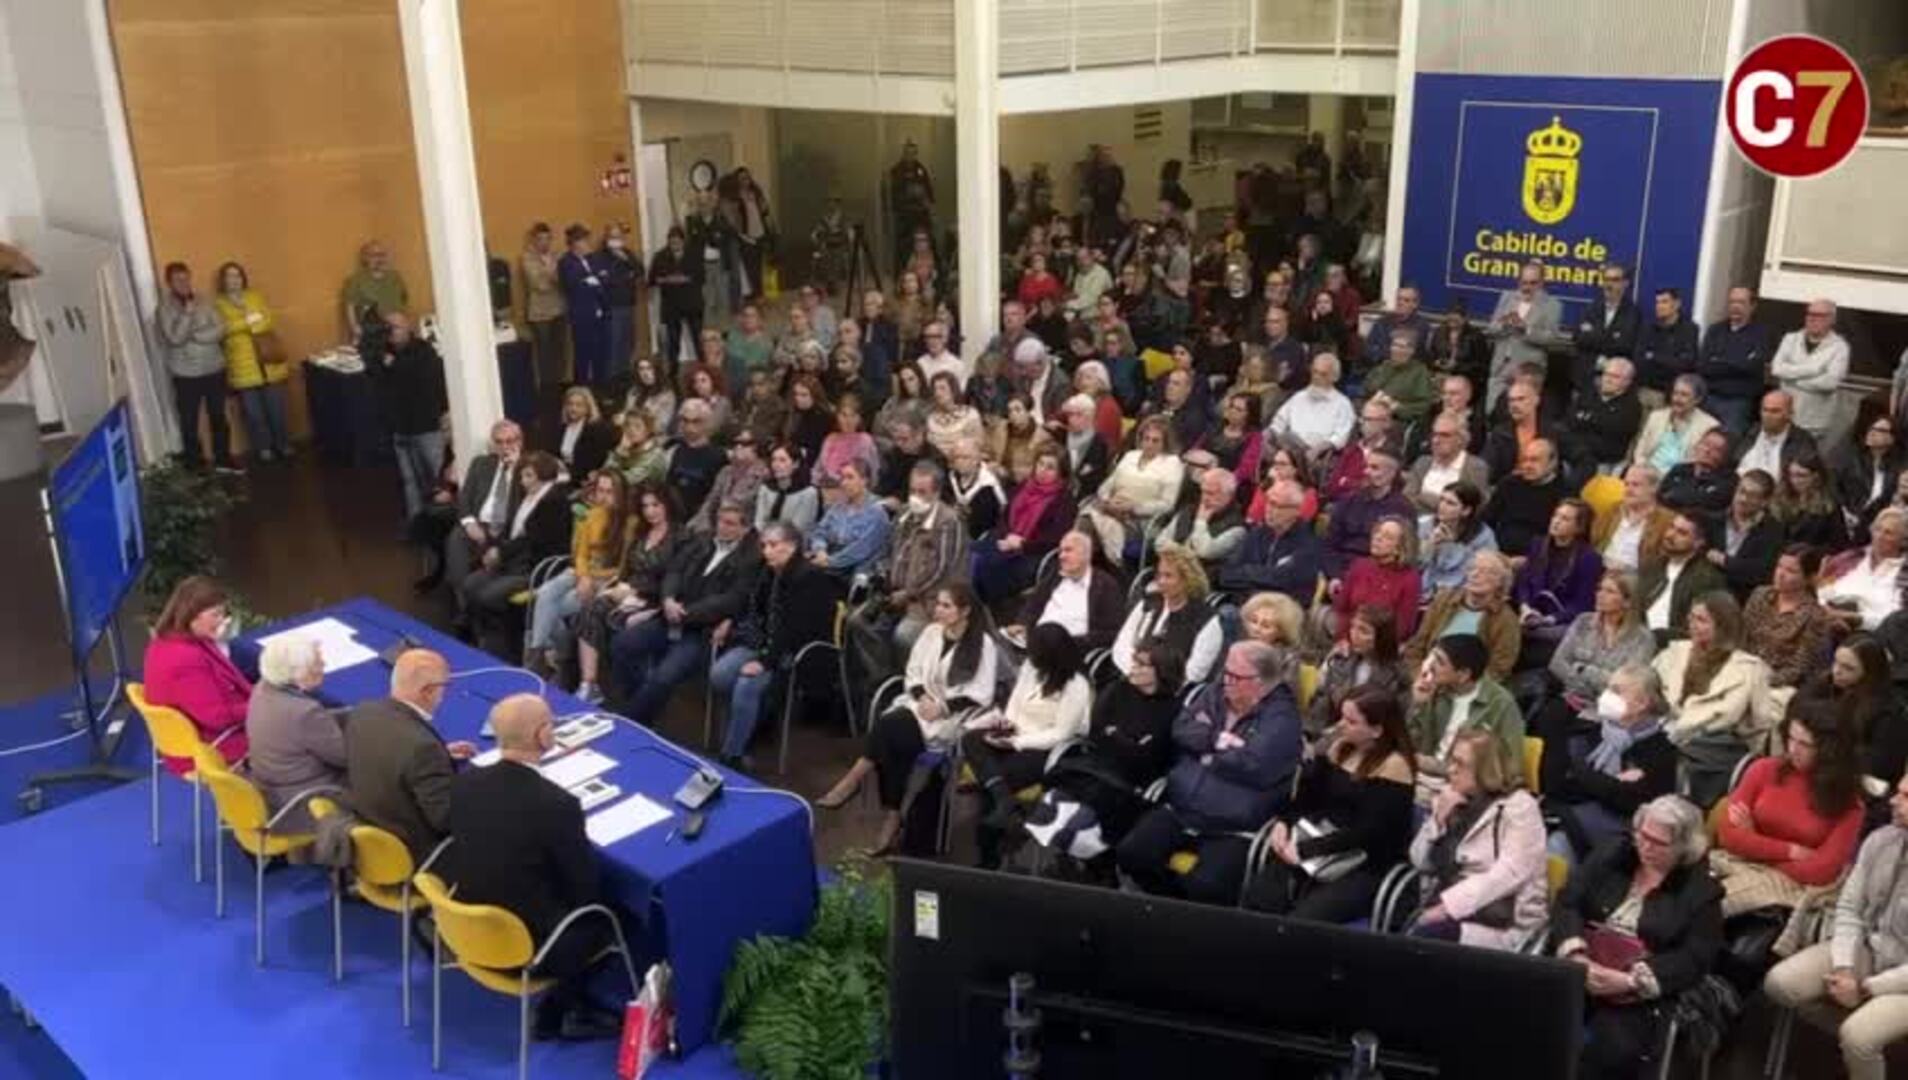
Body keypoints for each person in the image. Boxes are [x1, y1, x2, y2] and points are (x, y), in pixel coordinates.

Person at [438, 694, 626, 1042]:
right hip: (531, 946)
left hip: (468, 927)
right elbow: (585, 893)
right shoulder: (557, 805)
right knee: (613, 916)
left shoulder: (465, 783)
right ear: (542, 735)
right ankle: (560, 1012)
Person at [1116, 641, 1304, 904]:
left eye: (1235, 676)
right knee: (1131, 854)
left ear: (1261, 682)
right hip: (1181, 806)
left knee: (1207, 886)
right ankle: (1165, 910)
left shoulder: (1282, 720)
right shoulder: (1217, 692)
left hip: (1233, 825)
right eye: (1225, 671)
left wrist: (1205, 757)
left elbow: (1256, 766)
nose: (1225, 680)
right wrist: (1217, 741)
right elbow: (1182, 729)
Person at [818, 584, 1001, 855]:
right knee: (895, 731)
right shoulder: (930, 633)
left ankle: (855, 782)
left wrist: (941, 707)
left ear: (966, 611)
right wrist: (923, 697)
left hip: (951, 717)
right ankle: (891, 817)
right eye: (938, 604)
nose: (937, 610)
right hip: (919, 705)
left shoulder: (983, 645)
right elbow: (912, 672)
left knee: (891, 730)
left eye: (946, 606)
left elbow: (982, 694)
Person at [1553, 795, 1724, 1080]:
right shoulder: (1613, 853)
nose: (1645, 846)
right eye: (1642, 835)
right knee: (1531, 1022)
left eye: (1658, 843)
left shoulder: (1701, 891)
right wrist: (1575, 955)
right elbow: (1568, 902)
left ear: (1683, 848)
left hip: (1638, 993)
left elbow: (1696, 957)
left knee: (1607, 1052)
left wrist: (1632, 981)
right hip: (1579, 969)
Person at [1763, 770, 1908, 1080]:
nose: (1893, 801)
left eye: (1906, 797)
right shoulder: (1881, 839)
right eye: (1898, 791)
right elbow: (1849, 908)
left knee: (1859, 1038)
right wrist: (1844, 967)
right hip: (1869, 951)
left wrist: (1867, 989)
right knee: (1780, 983)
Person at [1245, 687, 1416, 923]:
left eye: (1351, 721)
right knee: (1260, 897)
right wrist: (1283, 822)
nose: (1340, 725)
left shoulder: (1396, 768)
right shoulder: (1339, 749)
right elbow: (1307, 798)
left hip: (1362, 862)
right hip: (1318, 838)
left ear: (1376, 730)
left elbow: (1369, 833)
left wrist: (1307, 850)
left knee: (1304, 919)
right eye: (1341, 717)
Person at [1024, 641, 1187, 878]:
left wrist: (1116, 735)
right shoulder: (1117, 690)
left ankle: (1091, 864)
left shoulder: (1172, 709)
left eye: (1143, 665)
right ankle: (1072, 860)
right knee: (1062, 790)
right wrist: (1127, 740)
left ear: (1161, 670)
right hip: (1096, 766)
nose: (1134, 668)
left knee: (1094, 804)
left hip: (1133, 781)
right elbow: (1097, 732)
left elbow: (1149, 756)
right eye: (1135, 661)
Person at [609, 502, 760, 729]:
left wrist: (686, 613)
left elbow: (731, 600)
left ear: (745, 528)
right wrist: (668, 598)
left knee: (664, 676)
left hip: (700, 629)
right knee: (623, 643)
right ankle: (642, 710)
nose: (722, 527)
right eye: (720, 520)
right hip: (669, 613)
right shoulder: (701, 540)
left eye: (730, 524)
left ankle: (631, 722)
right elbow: (674, 570)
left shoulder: (751, 558)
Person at [1712, 702, 1864, 916]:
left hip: (1790, 888)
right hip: (1738, 865)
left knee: (1714, 905)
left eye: (1804, 744)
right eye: (1791, 738)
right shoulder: (1764, 769)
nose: (1792, 749)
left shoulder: (1848, 803)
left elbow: (1822, 871)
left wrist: (1753, 840)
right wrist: (1791, 851)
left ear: (1829, 750)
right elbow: (1727, 834)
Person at [710, 522, 844, 765]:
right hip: (760, 641)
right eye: (764, 545)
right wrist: (729, 620)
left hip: (793, 651)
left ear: (792, 547)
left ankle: (731, 754)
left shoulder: (809, 577)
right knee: (720, 674)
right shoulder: (767, 571)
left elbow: (795, 629)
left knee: (746, 685)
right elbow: (749, 603)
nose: (766, 551)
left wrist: (765, 662)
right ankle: (756, 720)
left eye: (773, 545)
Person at [960, 623, 1093, 866]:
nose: (1030, 657)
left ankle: (989, 850)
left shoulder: (1076, 685)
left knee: (994, 775)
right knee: (970, 739)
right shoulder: (1032, 667)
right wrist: (1005, 727)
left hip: (1042, 749)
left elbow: (1061, 734)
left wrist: (1017, 742)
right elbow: (1015, 701)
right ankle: (1004, 801)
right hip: (1015, 735)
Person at [1404, 728, 1548, 948]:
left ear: (1485, 769)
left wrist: (1448, 907)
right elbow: (1419, 861)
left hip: (1500, 919)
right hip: (1445, 907)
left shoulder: (1520, 807)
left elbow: (1511, 872)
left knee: (1424, 940)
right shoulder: (1452, 797)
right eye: (1451, 760)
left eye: (1460, 764)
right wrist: (1438, 820)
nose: (1451, 770)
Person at [343, 648, 474, 860]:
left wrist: (442, 755)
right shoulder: (422, 748)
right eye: (445, 687)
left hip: (370, 831)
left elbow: (391, 755)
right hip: (414, 851)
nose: (444, 695)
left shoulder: (362, 712)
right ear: (428, 691)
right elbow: (446, 820)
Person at [1542, 662, 1678, 862]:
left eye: (1616, 691)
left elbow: (1638, 805)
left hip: (1623, 839)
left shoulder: (1661, 751)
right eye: (1608, 688)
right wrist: (1613, 783)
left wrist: (1585, 776)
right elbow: (1555, 783)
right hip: (1571, 819)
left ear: (1642, 703)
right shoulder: (1587, 729)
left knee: (1556, 849)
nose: (1606, 696)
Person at [1652, 591, 1776, 802]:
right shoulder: (1674, 653)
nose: (1692, 624)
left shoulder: (1749, 669)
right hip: (1665, 730)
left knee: (1667, 756)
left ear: (1723, 625)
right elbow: (1649, 690)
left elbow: (1761, 726)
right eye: (1691, 617)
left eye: (1701, 620)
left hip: (1714, 749)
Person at [461, 452, 572, 658]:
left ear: (542, 476)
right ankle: (484, 639)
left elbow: (533, 540)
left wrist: (500, 553)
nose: (522, 481)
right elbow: (514, 533)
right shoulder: (527, 496)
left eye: (528, 476)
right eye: (522, 475)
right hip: (513, 560)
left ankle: (502, 651)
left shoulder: (554, 502)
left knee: (488, 596)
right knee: (470, 584)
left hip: (534, 568)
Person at [858, 459, 968, 666]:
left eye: (922, 492)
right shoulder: (904, 513)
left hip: (930, 600)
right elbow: (890, 550)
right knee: (859, 622)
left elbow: (939, 570)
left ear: (936, 493)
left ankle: (906, 681)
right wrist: (883, 573)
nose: (916, 497)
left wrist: (908, 593)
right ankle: (881, 677)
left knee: (904, 635)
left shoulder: (948, 522)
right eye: (912, 490)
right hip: (896, 592)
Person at [526, 469, 629, 677]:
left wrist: (592, 578)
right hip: (581, 573)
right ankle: (541, 655)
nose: (604, 497)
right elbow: (580, 554)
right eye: (600, 490)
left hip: (608, 580)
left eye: (610, 492)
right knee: (544, 595)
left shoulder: (630, 523)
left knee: (555, 608)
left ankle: (548, 658)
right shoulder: (592, 514)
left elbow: (624, 567)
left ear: (621, 494)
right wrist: (583, 577)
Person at [144, 576, 251, 773]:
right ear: (191, 615)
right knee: (294, 728)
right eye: (215, 615)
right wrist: (262, 706)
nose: (221, 620)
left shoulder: (165, 641)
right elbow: (217, 717)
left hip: (202, 733)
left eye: (222, 613)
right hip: (212, 745)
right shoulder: (184, 659)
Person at [1406, 633, 1524, 805]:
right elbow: (1407, 743)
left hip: (1466, 786)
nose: (1431, 666)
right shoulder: (1435, 690)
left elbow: (1511, 765)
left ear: (1463, 675)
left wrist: (1439, 768)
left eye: (1440, 662)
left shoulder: (1501, 704)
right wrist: (1417, 705)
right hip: (1424, 777)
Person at [244, 634, 346, 831]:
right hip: (299, 802)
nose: (324, 664)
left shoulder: (262, 688)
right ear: (297, 673)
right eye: (317, 662)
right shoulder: (305, 712)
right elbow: (345, 757)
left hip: (268, 786)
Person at [1792, 635, 1908, 792]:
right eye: (1836, 662)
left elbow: (1879, 766)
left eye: (1848, 668)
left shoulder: (1888, 711)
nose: (1836, 671)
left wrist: (1828, 751)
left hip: (1855, 784)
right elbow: (1795, 712)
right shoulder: (1824, 683)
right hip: (1813, 767)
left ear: (1869, 672)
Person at [155, 261, 238, 472]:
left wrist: (196, 335)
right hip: (186, 375)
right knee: (189, 421)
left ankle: (223, 458)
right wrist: (187, 315)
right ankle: (195, 463)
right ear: (169, 283)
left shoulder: (204, 300)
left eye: (186, 278)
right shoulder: (164, 308)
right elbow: (174, 338)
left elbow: (220, 328)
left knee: (219, 416)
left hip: (214, 369)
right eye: (177, 280)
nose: (183, 283)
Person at [1545, 571, 1659, 711]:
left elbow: (1626, 684)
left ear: (1628, 602)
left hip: (1611, 708)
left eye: (1610, 591)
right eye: (1600, 589)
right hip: (1571, 698)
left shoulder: (1643, 638)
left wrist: (1584, 669)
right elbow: (1557, 663)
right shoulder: (1583, 622)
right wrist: (1581, 688)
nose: (1600, 595)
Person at [213, 261, 291, 462]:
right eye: (230, 276)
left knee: (277, 409)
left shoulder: (254, 296)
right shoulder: (218, 303)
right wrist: (248, 321)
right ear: (223, 280)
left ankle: (282, 444)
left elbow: (268, 320)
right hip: (242, 364)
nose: (234, 280)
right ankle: (264, 447)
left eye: (237, 275)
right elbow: (224, 330)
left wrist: (245, 324)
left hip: (267, 360)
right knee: (253, 414)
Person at [1078, 416, 1185, 562]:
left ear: (1165, 443)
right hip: (1111, 509)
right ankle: (1085, 564)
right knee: (1085, 520)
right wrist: (1109, 501)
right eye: (1146, 439)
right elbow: (1105, 487)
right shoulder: (1130, 456)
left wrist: (1134, 507)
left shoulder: (1172, 464)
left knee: (1091, 526)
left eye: (1155, 440)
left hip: (1139, 521)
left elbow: (1167, 505)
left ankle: (1086, 566)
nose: (1149, 444)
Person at [1110, 547, 1223, 684]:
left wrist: (1155, 681)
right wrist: (1134, 672)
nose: (1161, 581)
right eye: (1159, 575)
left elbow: (1194, 673)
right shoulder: (1148, 604)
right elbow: (1122, 645)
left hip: (1173, 692)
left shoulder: (1207, 620)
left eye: (1168, 576)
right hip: (1132, 680)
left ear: (1188, 580)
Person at [1405, 552, 1522, 680]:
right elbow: (1417, 646)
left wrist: (1463, 687)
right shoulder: (1443, 600)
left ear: (1500, 582)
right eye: (1472, 568)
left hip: (1467, 687)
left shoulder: (1506, 620)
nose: (1475, 574)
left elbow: (1499, 669)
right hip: (1425, 677)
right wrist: (1417, 675)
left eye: (1486, 572)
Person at [1513, 498, 1604, 661]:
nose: (1556, 522)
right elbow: (1524, 581)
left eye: (1565, 519)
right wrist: (1525, 607)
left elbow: (1583, 604)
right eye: (1556, 515)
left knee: (1547, 636)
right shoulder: (1538, 544)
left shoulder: (1589, 559)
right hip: (1530, 612)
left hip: (1560, 620)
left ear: (1579, 528)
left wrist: (1549, 619)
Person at [1007, 530, 1125, 652]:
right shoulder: (1055, 575)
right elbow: (1034, 603)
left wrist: (1067, 642)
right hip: (1036, 643)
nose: (1061, 556)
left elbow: (1110, 633)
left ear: (1086, 554)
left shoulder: (1105, 586)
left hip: (1072, 651)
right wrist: (1022, 623)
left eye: (1068, 550)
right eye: (1060, 551)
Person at [1217, 479, 1323, 607]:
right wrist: (1261, 575)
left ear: (1296, 511)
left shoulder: (1307, 543)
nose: (1269, 509)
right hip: (1245, 603)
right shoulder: (1257, 533)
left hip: (1281, 612)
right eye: (1268, 502)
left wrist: (1247, 572)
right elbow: (1226, 574)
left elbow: (1283, 581)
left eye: (1277, 505)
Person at [1742, 546, 1834, 692]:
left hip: (1780, 686)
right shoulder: (1760, 595)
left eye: (1791, 571)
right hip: (1744, 671)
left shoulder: (1814, 616)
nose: (1780, 574)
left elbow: (1799, 668)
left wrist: (1759, 682)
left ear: (1809, 578)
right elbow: (1742, 637)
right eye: (1779, 566)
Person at [1322, 448, 1413, 580]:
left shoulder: (1403, 509)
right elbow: (1330, 545)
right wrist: (1335, 576)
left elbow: (1403, 554)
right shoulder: (1348, 501)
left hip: (1377, 576)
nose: (1366, 472)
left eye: (1374, 468)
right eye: (1366, 466)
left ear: (1391, 474)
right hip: (1340, 569)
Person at [1328, 515, 1420, 644]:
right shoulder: (1359, 565)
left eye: (1388, 537)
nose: (1378, 538)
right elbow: (1342, 609)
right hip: (1347, 639)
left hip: (1381, 646)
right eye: (1377, 532)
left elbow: (1404, 628)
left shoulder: (1410, 578)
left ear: (1400, 548)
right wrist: (1343, 639)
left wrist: (1370, 642)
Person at [1484, 259, 1563, 409]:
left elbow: (1551, 338)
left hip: (1527, 372)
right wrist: (1503, 324)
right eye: (1523, 282)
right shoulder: (1507, 297)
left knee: (1520, 415)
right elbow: (1491, 328)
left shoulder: (1552, 305)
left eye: (1533, 283)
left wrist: (1526, 329)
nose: (1527, 288)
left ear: (1542, 283)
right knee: (1492, 413)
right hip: (1500, 368)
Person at [1637, 513, 1727, 642]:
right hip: (1636, 635)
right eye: (1671, 527)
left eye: (1682, 533)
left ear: (1698, 543)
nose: (1670, 535)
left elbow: (1693, 629)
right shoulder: (1652, 564)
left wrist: (1653, 636)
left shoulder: (1707, 579)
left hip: (1670, 645)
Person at [1770, 299, 1850, 443]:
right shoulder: (1790, 339)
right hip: (1783, 415)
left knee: (1803, 463)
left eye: (1819, 315)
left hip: (1814, 422)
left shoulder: (1840, 347)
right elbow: (1777, 369)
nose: (1812, 318)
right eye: (1810, 314)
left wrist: (1793, 379)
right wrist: (1813, 370)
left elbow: (1830, 382)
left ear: (1832, 319)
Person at [1819, 506, 1908, 632]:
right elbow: (1820, 589)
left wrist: (1855, 619)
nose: (1879, 536)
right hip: (1827, 618)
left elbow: (1899, 621)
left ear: (1903, 541)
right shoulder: (1848, 559)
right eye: (1877, 529)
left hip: (1872, 634)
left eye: (1888, 533)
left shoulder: (1903, 572)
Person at [1697, 285, 1772, 434]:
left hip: (1738, 404)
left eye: (1741, 302)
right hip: (1709, 398)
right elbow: (1704, 366)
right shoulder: (1715, 330)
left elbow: (1752, 367)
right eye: (1732, 302)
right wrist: (1738, 363)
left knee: (1727, 446)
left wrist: (1719, 361)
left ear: (1752, 306)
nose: (1735, 307)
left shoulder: (1762, 333)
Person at [1704, 468, 1784, 600]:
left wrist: (1725, 561)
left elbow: (1760, 573)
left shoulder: (1772, 531)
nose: (1743, 499)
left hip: (1740, 597)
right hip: (1705, 589)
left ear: (1764, 502)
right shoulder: (1713, 520)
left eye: (1752, 495)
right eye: (1741, 491)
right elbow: (1702, 554)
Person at [1481, 438, 1568, 558]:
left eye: (1534, 460)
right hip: (1497, 552)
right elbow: (1487, 520)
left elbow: (1562, 540)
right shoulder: (1509, 484)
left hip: (1540, 558)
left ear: (1553, 463)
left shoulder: (1565, 493)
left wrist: (1529, 560)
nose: (1527, 465)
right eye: (1524, 460)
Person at [807, 460, 891, 582]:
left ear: (864, 480)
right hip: (828, 561)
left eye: (850, 477)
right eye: (842, 478)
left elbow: (861, 549)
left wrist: (829, 562)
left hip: (855, 569)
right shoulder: (838, 507)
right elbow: (819, 532)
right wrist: (820, 550)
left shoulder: (877, 513)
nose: (844, 483)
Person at [1267, 353, 1356, 466]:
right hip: (1289, 449)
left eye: (1323, 374)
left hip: (1319, 456)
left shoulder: (1342, 404)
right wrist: (1269, 436)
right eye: (1315, 372)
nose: (1316, 378)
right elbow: (1278, 423)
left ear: (1335, 377)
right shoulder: (1298, 397)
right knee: (1263, 440)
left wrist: (1318, 449)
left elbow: (1340, 437)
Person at [1569, 263, 1641, 400]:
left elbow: (1625, 345)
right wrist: (1611, 337)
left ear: (1625, 283)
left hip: (1614, 385)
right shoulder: (1591, 308)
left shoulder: (1633, 313)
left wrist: (1593, 335)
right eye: (1606, 279)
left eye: (1615, 280)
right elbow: (1578, 337)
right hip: (1584, 379)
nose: (1609, 285)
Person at [1418, 481, 1497, 602]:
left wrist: (1454, 545)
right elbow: (1413, 565)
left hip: (1460, 595)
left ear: (1466, 511)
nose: (1442, 506)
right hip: (1423, 592)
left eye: (1450, 503)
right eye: (1442, 500)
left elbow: (1478, 572)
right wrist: (1430, 544)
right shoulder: (1425, 525)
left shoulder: (1483, 536)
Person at [1629, 374, 1719, 475]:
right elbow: (1641, 450)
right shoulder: (1656, 416)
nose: (1677, 399)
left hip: (1678, 479)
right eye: (1675, 393)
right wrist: (1642, 470)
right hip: (1646, 474)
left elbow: (1698, 464)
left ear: (1697, 399)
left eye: (1684, 395)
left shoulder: (1709, 426)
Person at [1567, 357, 1644, 474]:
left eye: (1615, 377)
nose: (1608, 380)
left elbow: (1611, 437)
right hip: (1572, 453)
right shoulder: (1588, 395)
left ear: (1627, 382)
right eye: (1606, 375)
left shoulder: (1631, 407)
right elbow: (1570, 421)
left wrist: (1587, 420)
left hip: (1602, 462)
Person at [1405, 412, 1491, 516]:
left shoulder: (1475, 467)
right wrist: (1449, 504)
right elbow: (1407, 499)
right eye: (1434, 434)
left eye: (1444, 435)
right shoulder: (1422, 463)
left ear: (1460, 439)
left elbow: (1474, 508)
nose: (1436, 440)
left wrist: (1425, 497)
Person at [556, 224, 610, 387]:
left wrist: (591, 280)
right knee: (583, 354)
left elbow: (604, 278)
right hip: (582, 315)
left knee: (600, 353)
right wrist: (592, 281)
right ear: (575, 243)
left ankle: (601, 388)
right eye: (584, 240)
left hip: (600, 312)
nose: (588, 243)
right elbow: (573, 285)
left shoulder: (593, 259)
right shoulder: (566, 262)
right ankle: (581, 389)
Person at [1835, 414, 1903, 540]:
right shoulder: (1852, 458)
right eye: (1872, 428)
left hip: (1879, 522)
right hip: (1847, 518)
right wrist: (1845, 512)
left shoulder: (1899, 465)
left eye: (1881, 430)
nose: (1873, 433)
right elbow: (1833, 486)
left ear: (1892, 438)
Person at [1632, 288, 1699, 410]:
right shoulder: (1648, 328)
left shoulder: (1689, 330)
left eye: (1664, 302)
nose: (1659, 306)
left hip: (1670, 394)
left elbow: (1685, 364)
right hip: (1644, 389)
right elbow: (1638, 359)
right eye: (1657, 302)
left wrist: (1653, 357)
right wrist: (1665, 359)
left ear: (1677, 304)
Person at [648, 226, 703, 368]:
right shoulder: (660, 256)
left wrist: (685, 279)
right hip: (671, 306)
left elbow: (702, 277)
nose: (675, 245)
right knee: (673, 342)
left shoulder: (694, 254)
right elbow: (652, 280)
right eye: (672, 242)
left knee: (698, 339)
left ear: (683, 241)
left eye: (678, 242)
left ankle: (704, 367)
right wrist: (666, 280)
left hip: (692, 303)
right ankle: (673, 372)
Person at [1737, 390, 1821, 482]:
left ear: (1789, 414)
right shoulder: (1749, 432)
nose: (1768, 416)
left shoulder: (1802, 440)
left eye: (1775, 411)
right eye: (1765, 410)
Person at [1774, 451, 1848, 551]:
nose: (1795, 480)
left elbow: (1838, 545)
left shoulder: (1829, 506)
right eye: (1791, 475)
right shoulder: (1777, 500)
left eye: (1801, 475)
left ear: (1815, 476)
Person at [521, 223, 567, 386]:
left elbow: (565, 280)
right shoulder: (527, 257)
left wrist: (549, 274)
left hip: (559, 310)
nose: (544, 242)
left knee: (561, 350)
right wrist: (552, 272)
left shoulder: (557, 255)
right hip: (540, 314)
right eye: (540, 239)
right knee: (544, 353)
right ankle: (547, 387)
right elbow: (538, 285)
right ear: (534, 240)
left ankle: (562, 384)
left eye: (548, 238)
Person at [1659, 428, 1738, 521]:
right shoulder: (1680, 469)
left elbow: (1702, 506)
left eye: (1716, 449)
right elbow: (1660, 495)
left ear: (1726, 456)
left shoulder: (1728, 481)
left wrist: (1674, 496)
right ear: (1697, 445)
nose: (1707, 451)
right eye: (1705, 444)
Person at [754, 441, 820, 537]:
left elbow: (799, 527)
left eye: (782, 460)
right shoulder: (765, 488)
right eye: (774, 460)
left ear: (796, 464)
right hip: (765, 539)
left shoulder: (808, 493)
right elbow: (759, 522)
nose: (776, 465)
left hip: (792, 542)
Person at [553, 386, 614, 482]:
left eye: (579, 405)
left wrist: (568, 475)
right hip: (562, 474)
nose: (573, 408)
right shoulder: (561, 427)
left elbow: (594, 464)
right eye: (570, 404)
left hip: (583, 479)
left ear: (588, 408)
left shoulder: (597, 429)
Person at [605, 410, 667, 490]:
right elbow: (605, 471)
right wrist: (618, 453)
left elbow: (627, 480)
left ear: (648, 430)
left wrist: (619, 454)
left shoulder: (655, 455)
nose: (631, 430)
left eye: (637, 426)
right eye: (627, 425)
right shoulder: (626, 445)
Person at [626, 356, 678, 439]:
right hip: (631, 436)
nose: (645, 373)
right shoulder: (633, 392)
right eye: (641, 369)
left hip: (655, 439)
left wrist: (639, 425)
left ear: (656, 371)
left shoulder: (666, 395)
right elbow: (627, 415)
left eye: (649, 368)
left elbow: (661, 426)